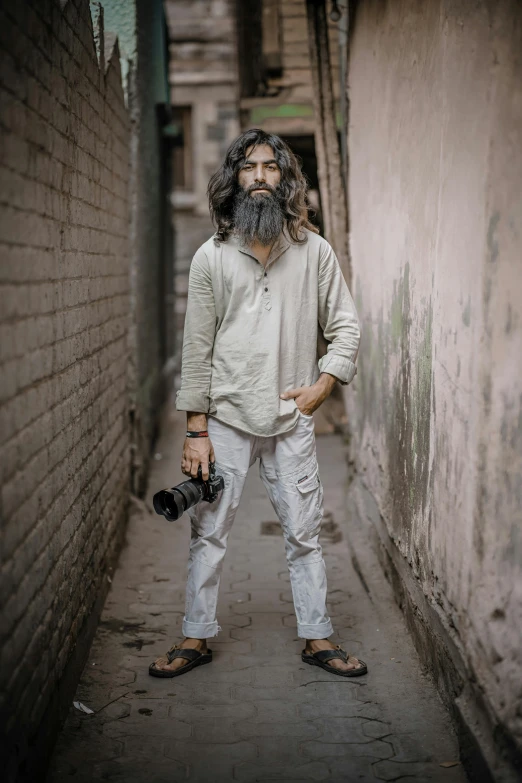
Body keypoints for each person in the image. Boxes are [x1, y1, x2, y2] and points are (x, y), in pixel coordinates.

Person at [149, 129, 367, 679]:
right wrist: (195, 430)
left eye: (271, 167)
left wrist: (322, 386)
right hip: (225, 418)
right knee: (210, 532)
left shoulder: (314, 252)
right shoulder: (211, 258)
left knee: (303, 533)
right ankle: (195, 637)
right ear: (234, 181)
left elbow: (345, 329)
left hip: (291, 419)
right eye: (249, 168)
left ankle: (317, 638)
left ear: (286, 178)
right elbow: (196, 349)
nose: (261, 177)